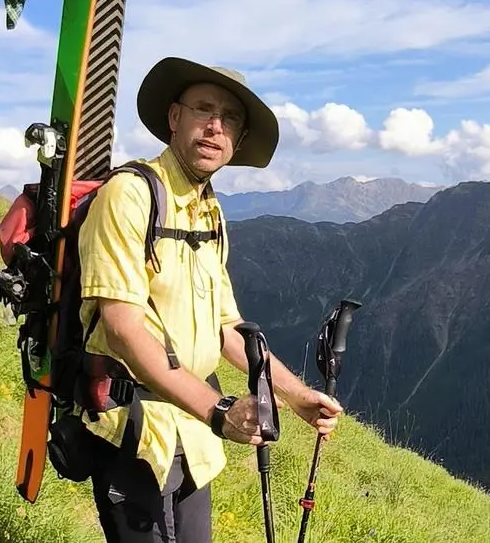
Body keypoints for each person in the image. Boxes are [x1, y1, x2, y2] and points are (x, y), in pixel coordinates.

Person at [75, 56, 343, 542]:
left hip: (194, 432)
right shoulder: (130, 195)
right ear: (175, 117)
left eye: (230, 118)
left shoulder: (209, 210)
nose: (216, 126)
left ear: (237, 140)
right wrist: (218, 410)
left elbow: (227, 329)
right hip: (135, 428)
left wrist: (297, 397)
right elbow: (122, 328)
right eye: (204, 109)